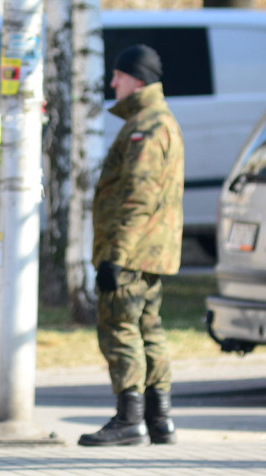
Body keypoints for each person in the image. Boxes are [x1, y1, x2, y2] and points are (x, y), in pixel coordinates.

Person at [79, 44, 184, 447]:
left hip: (133, 250)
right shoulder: (157, 120)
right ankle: (160, 419)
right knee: (148, 329)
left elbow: (138, 195)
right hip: (151, 250)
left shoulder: (146, 125)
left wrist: (115, 256)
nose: (112, 83)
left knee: (121, 328)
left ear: (137, 78)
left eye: (118, 76)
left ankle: (130, 420)